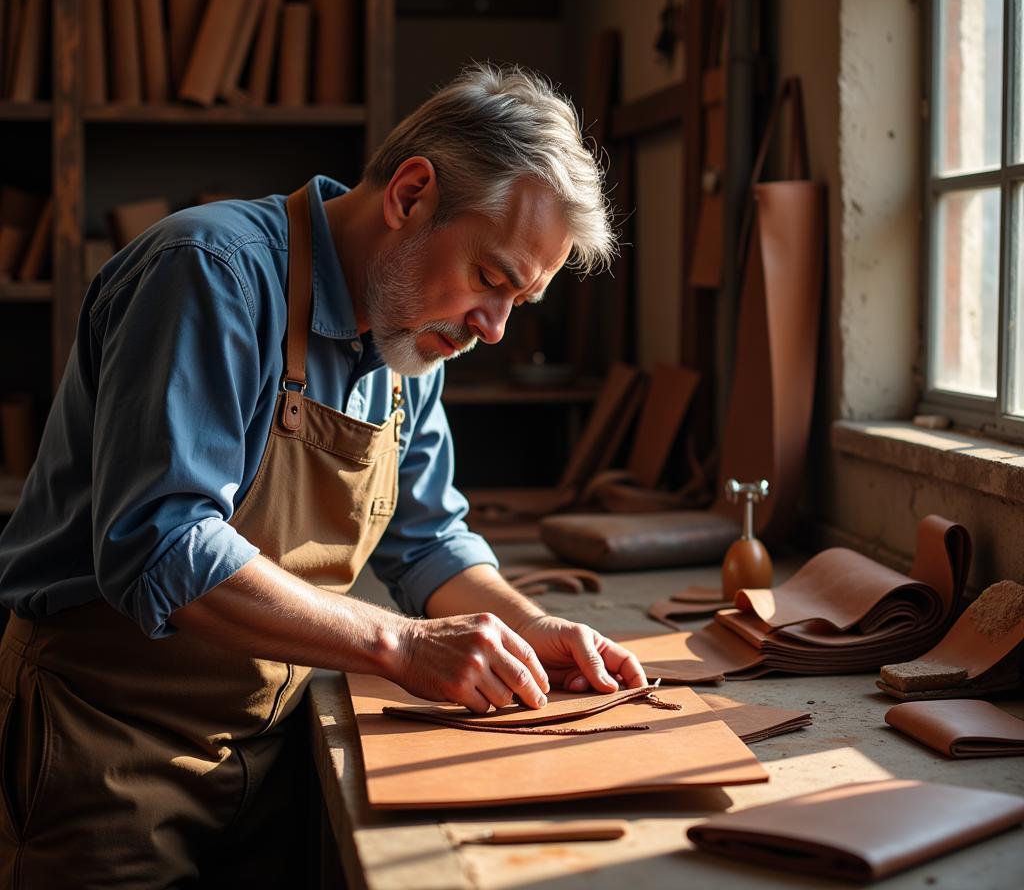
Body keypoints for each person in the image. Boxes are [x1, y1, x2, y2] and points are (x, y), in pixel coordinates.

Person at [0, 64, 645, 885]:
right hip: (101, 744)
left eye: (521, 302)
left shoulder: (410, 338)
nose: (494, 329)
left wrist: (527, 629)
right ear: (411, 195)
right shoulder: (210, 272)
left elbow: (429, 543)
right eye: (491, 279)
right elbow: (162, 546)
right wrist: (402, 646)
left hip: (270, 750)